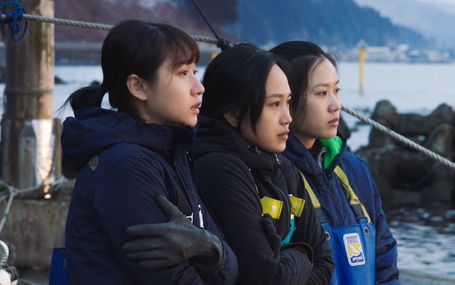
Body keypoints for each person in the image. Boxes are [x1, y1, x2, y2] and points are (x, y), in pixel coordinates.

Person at [62, 20, 238, 284]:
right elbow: (171, 278)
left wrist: (213, 250)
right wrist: (215, 254)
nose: (198, 87)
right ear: (139, 87)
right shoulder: (125, 167)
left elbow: (231, 266)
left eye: (194, 71)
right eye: (182, 73)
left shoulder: (174, 152)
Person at [190, 43, 334, 285]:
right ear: (233, 113)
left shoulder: (284, 166)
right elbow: (268, 276)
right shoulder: (219, 168)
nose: (287, 117)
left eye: (288, 102)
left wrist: (291, 259)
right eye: (274, 104)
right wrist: (303, 254)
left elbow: (326, 262)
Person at [271, 41, 400, 284]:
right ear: (287, 99)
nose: (335, 105)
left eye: (336, 90)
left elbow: (384, 258)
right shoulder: (270, 174)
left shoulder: (355, 170)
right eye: (322, 93)